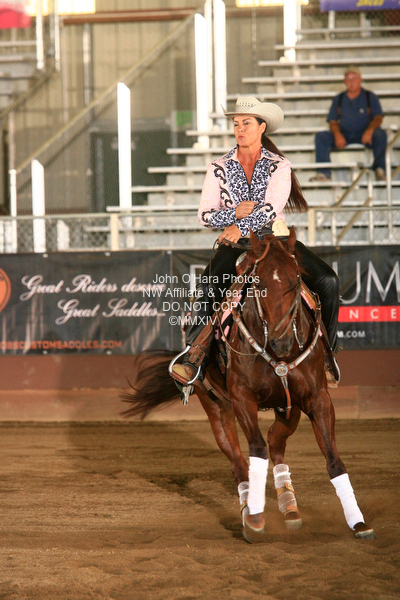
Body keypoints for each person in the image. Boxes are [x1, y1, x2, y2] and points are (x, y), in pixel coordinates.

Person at [170, 96, 340, 388]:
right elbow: (204, 215)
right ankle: (194, 356)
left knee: (328, 280)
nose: (240, 129)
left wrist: (238, 226)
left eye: (246, 123)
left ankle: (327, 355)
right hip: (236, 245)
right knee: (208, 287)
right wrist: (233, 213)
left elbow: (271, 209)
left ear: (262, 127)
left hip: (276, 240)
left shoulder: (279, 166)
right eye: (236, 124)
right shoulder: (219, 167)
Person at [310, 66, 387, 182]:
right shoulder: (339, 98)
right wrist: (337, 135)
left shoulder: (369, 96)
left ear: (360, 79)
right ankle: (324, 173)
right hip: (344, 134)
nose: (351, 81)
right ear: (344, 81)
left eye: (354, 78)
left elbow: (378, 118)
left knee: (380, 135)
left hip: (364, 134)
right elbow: (332, 121)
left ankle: (380, 170)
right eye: (349, 78)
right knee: (321, 136)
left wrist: (370, 131)